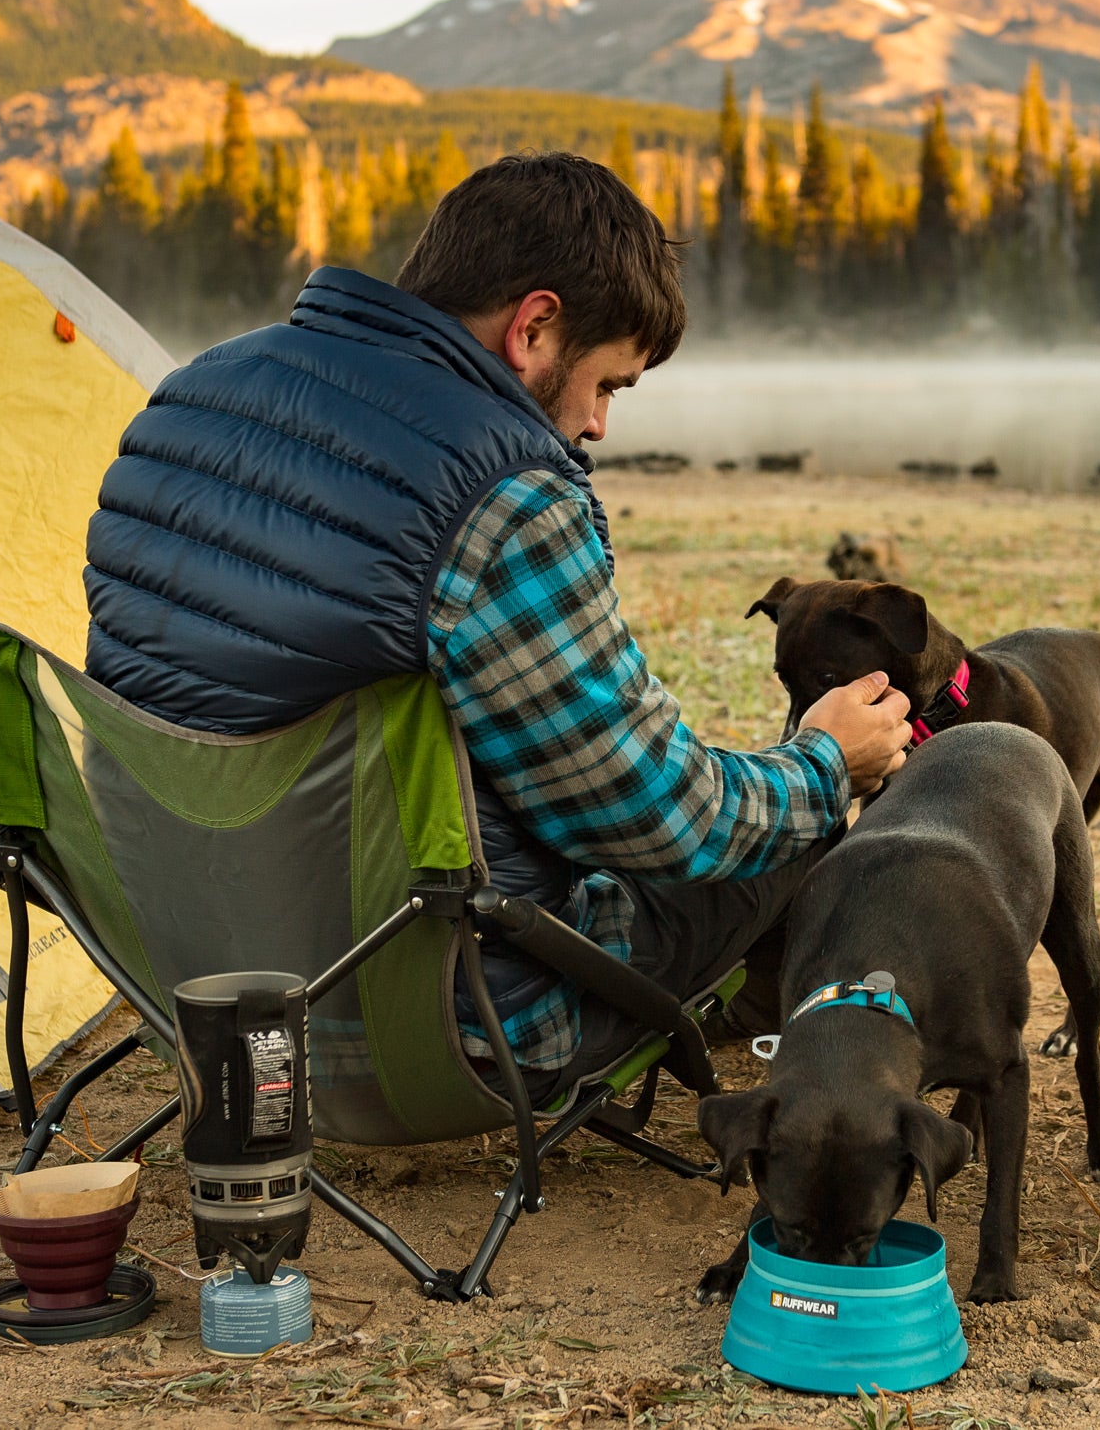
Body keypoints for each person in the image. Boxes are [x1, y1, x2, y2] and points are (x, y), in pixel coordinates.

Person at [82, 151, 911, 1101]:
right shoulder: (501, 495)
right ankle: (789, 1044)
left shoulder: (183, 400)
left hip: (195, 980)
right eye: (610, 383)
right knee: (784, 823)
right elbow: (664, 817)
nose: (599, 423)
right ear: (534, 327)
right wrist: (821, 763)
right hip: (443, 1018)